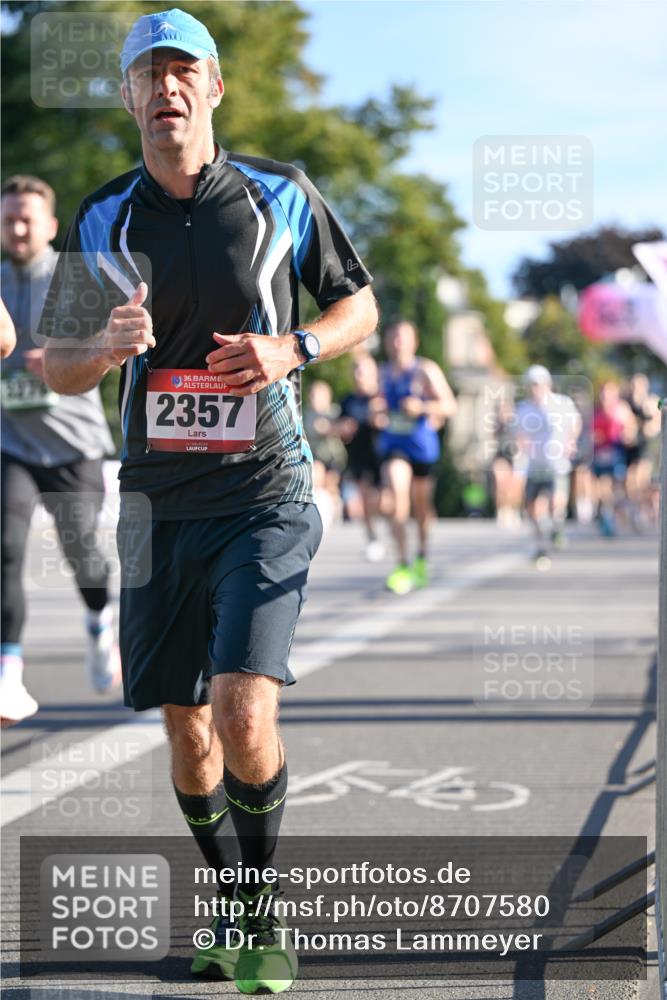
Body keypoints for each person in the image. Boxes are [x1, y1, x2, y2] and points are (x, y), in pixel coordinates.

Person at [41, 9, 378, 995]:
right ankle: (228, 898)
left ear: (215, 88)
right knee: (186, 730)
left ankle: (261, 915)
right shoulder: (101, 216)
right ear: (128, 97)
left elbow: (358, 304)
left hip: (264, 490)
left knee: (239, 705)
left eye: (183, 70)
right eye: (147, 74)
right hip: (155, 501)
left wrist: (292, 347)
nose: (165, 88)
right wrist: (103, 349)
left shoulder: (281, 194)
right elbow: (57, 368)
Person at [0, 175, 118, 726]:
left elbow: (99, 359)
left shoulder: (74, 280)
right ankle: (8, 671)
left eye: (28, 218)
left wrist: (57, 360)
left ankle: (99, 621)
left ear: (50, 225)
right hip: (13, 445)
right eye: (9, 219)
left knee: (84, 558)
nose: (18, 228)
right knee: (5, 547)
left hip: (74, 446)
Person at [376, 319, 457, 594]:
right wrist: (377, 413)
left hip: (422, 447)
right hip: (394, 446)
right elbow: (373, 403)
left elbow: (450, 405)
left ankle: (421, 555)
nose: (397, 343)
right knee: (397, 495)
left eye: (402, 338)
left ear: (414, 342)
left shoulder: (425, 370)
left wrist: (422, 407)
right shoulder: (383, 373)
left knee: (421, 507)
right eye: (393, 338)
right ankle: (401, 564)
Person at [513, 365, 581, 563]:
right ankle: (541, 544)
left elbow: (575, 423)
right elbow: (519, 434)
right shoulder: (524, 409)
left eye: (538, 384)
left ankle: (557, 526)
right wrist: (521, 452)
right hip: (535, 464)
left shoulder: (561, 403)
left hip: (556, 462)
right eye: (531, 385)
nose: (535, 389)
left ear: (547, 384)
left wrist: (571, 441)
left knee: (556, 501)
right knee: (532, 508)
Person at [338, 352, 386, 560]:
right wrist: (342, 429)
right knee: (366, 499)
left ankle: (390, 531)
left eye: (363, 370)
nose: (359, 374)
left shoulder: (382, 398)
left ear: (374, 373)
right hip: (359, 455)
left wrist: (380, 419)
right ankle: (372, 538)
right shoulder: (348, 401)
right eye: (356, 369)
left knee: (384, 501)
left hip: (383, 455)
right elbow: (339, 427)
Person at [592, 380, 635, 537]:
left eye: (608, 392)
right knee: (602, 488)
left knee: (619, 488)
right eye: (603, 392)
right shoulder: (596, 411)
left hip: (617, 453)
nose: (605, 396)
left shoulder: (621, 409)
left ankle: (625, 512)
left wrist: (627, 435)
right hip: (600, 454)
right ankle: (608, 518)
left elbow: (631, 427)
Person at [302, 379, 347, 530]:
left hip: (335, 457)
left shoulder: (334, 412)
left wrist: (330, 428)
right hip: (316, 456)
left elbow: (343, 429)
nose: (315, 400)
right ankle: (321, 512)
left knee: (331, 484)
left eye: (319, 396)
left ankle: (336, 507)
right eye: (313, 396)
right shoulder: (307, 415)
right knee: (317, 477)